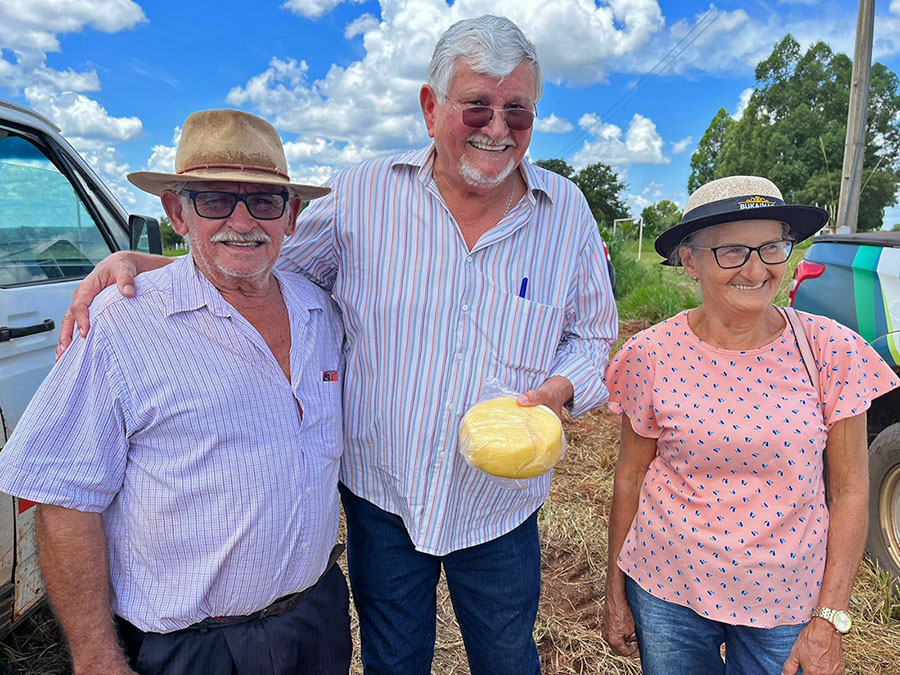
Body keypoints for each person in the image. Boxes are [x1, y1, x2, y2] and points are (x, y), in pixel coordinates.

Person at [58, 15, 618, 674]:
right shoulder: (363, 195)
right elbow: (260, 254)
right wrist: (148, 265)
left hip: (498, 507)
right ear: (431, 107)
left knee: (507, 657)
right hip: (383, 499)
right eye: (477, 106)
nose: (498, 127)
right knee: (393, 658)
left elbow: (593, 332)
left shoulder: (566, 213)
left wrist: (564, 387)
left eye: (517, 110)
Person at [0, 109, 351, 675]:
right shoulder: (122, 321)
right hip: (189, 649)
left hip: (314, 619)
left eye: (264, 202)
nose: (242, 220)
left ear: (292, 215)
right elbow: (62, 498)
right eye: (214, 199)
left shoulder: (322, 311)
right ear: (176, 211)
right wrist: (95, 658)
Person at [601, 175, 900, 674]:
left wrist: (829, 618)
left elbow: (849, 490)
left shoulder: (832, 350)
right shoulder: (649, 354)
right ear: (690, 260)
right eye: (732, 252)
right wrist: (616, 591)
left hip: (786, 600)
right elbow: (630, 478)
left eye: (772, 247)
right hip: (666, 588)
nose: (757, 268)